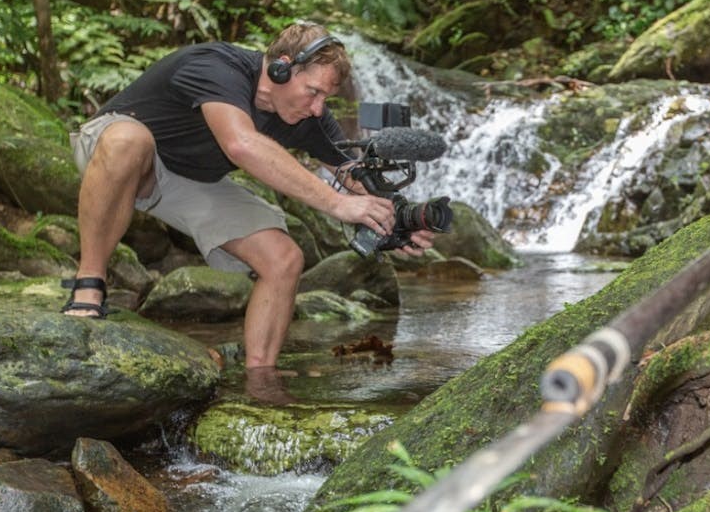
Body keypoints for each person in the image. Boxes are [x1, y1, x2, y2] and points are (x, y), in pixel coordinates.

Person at [63, 21, 434, 371]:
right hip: (113, 151)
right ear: (281, 69)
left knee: (284, 258)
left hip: (185, 179)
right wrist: (337, 204)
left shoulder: (308, 116)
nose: (319, 107)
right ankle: (89, 284)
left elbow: (352, 173)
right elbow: (240, 144)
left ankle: (260, 378)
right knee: (130, 140)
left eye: (327, 97)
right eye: (314, 92)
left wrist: (396, 217)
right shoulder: (216, 66)